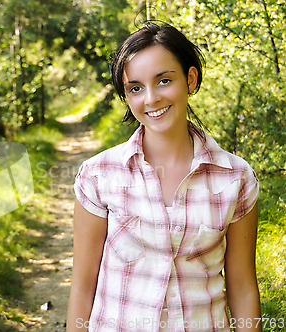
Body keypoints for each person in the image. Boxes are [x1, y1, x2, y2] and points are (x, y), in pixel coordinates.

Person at [66, 22, 262, 332]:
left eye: (164, 80)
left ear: (191, 79)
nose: (151, 98)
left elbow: (243, 287)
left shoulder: (236, 178)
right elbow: (82, 285)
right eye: (136, 88)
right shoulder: (99, 175)